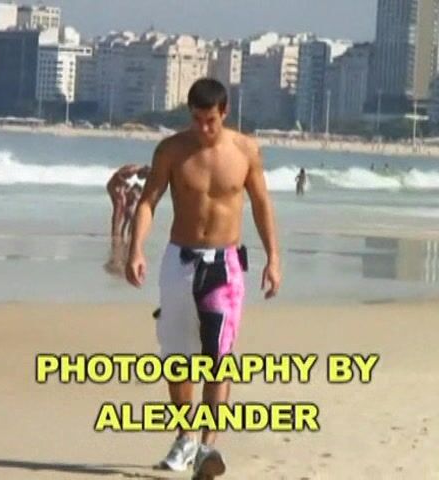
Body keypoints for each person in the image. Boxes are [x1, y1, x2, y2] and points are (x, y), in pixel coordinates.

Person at [125, 78, 281, 479]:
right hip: (180, 261)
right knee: (176, 356)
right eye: (196, 119)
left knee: (219, 358)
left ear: (224, 112)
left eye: (210, 120)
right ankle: (185, 438)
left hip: (225, 267)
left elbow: (261, 204)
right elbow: (149, 201)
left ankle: (208, 448)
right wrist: (135, 249)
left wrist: (273, 258)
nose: (203, 128)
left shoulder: (246, 151)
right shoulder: (171, 150)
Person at [107, 164, 150, 238]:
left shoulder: (134, 168)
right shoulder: (133, 170)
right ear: (143, 171)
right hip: (114, 186)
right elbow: (117, 175)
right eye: (144, 176)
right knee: (118, 208)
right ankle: (114, 231)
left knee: (121, 208)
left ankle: (116, 229)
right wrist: (126, 184)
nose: (142, 178)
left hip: (117, 186)